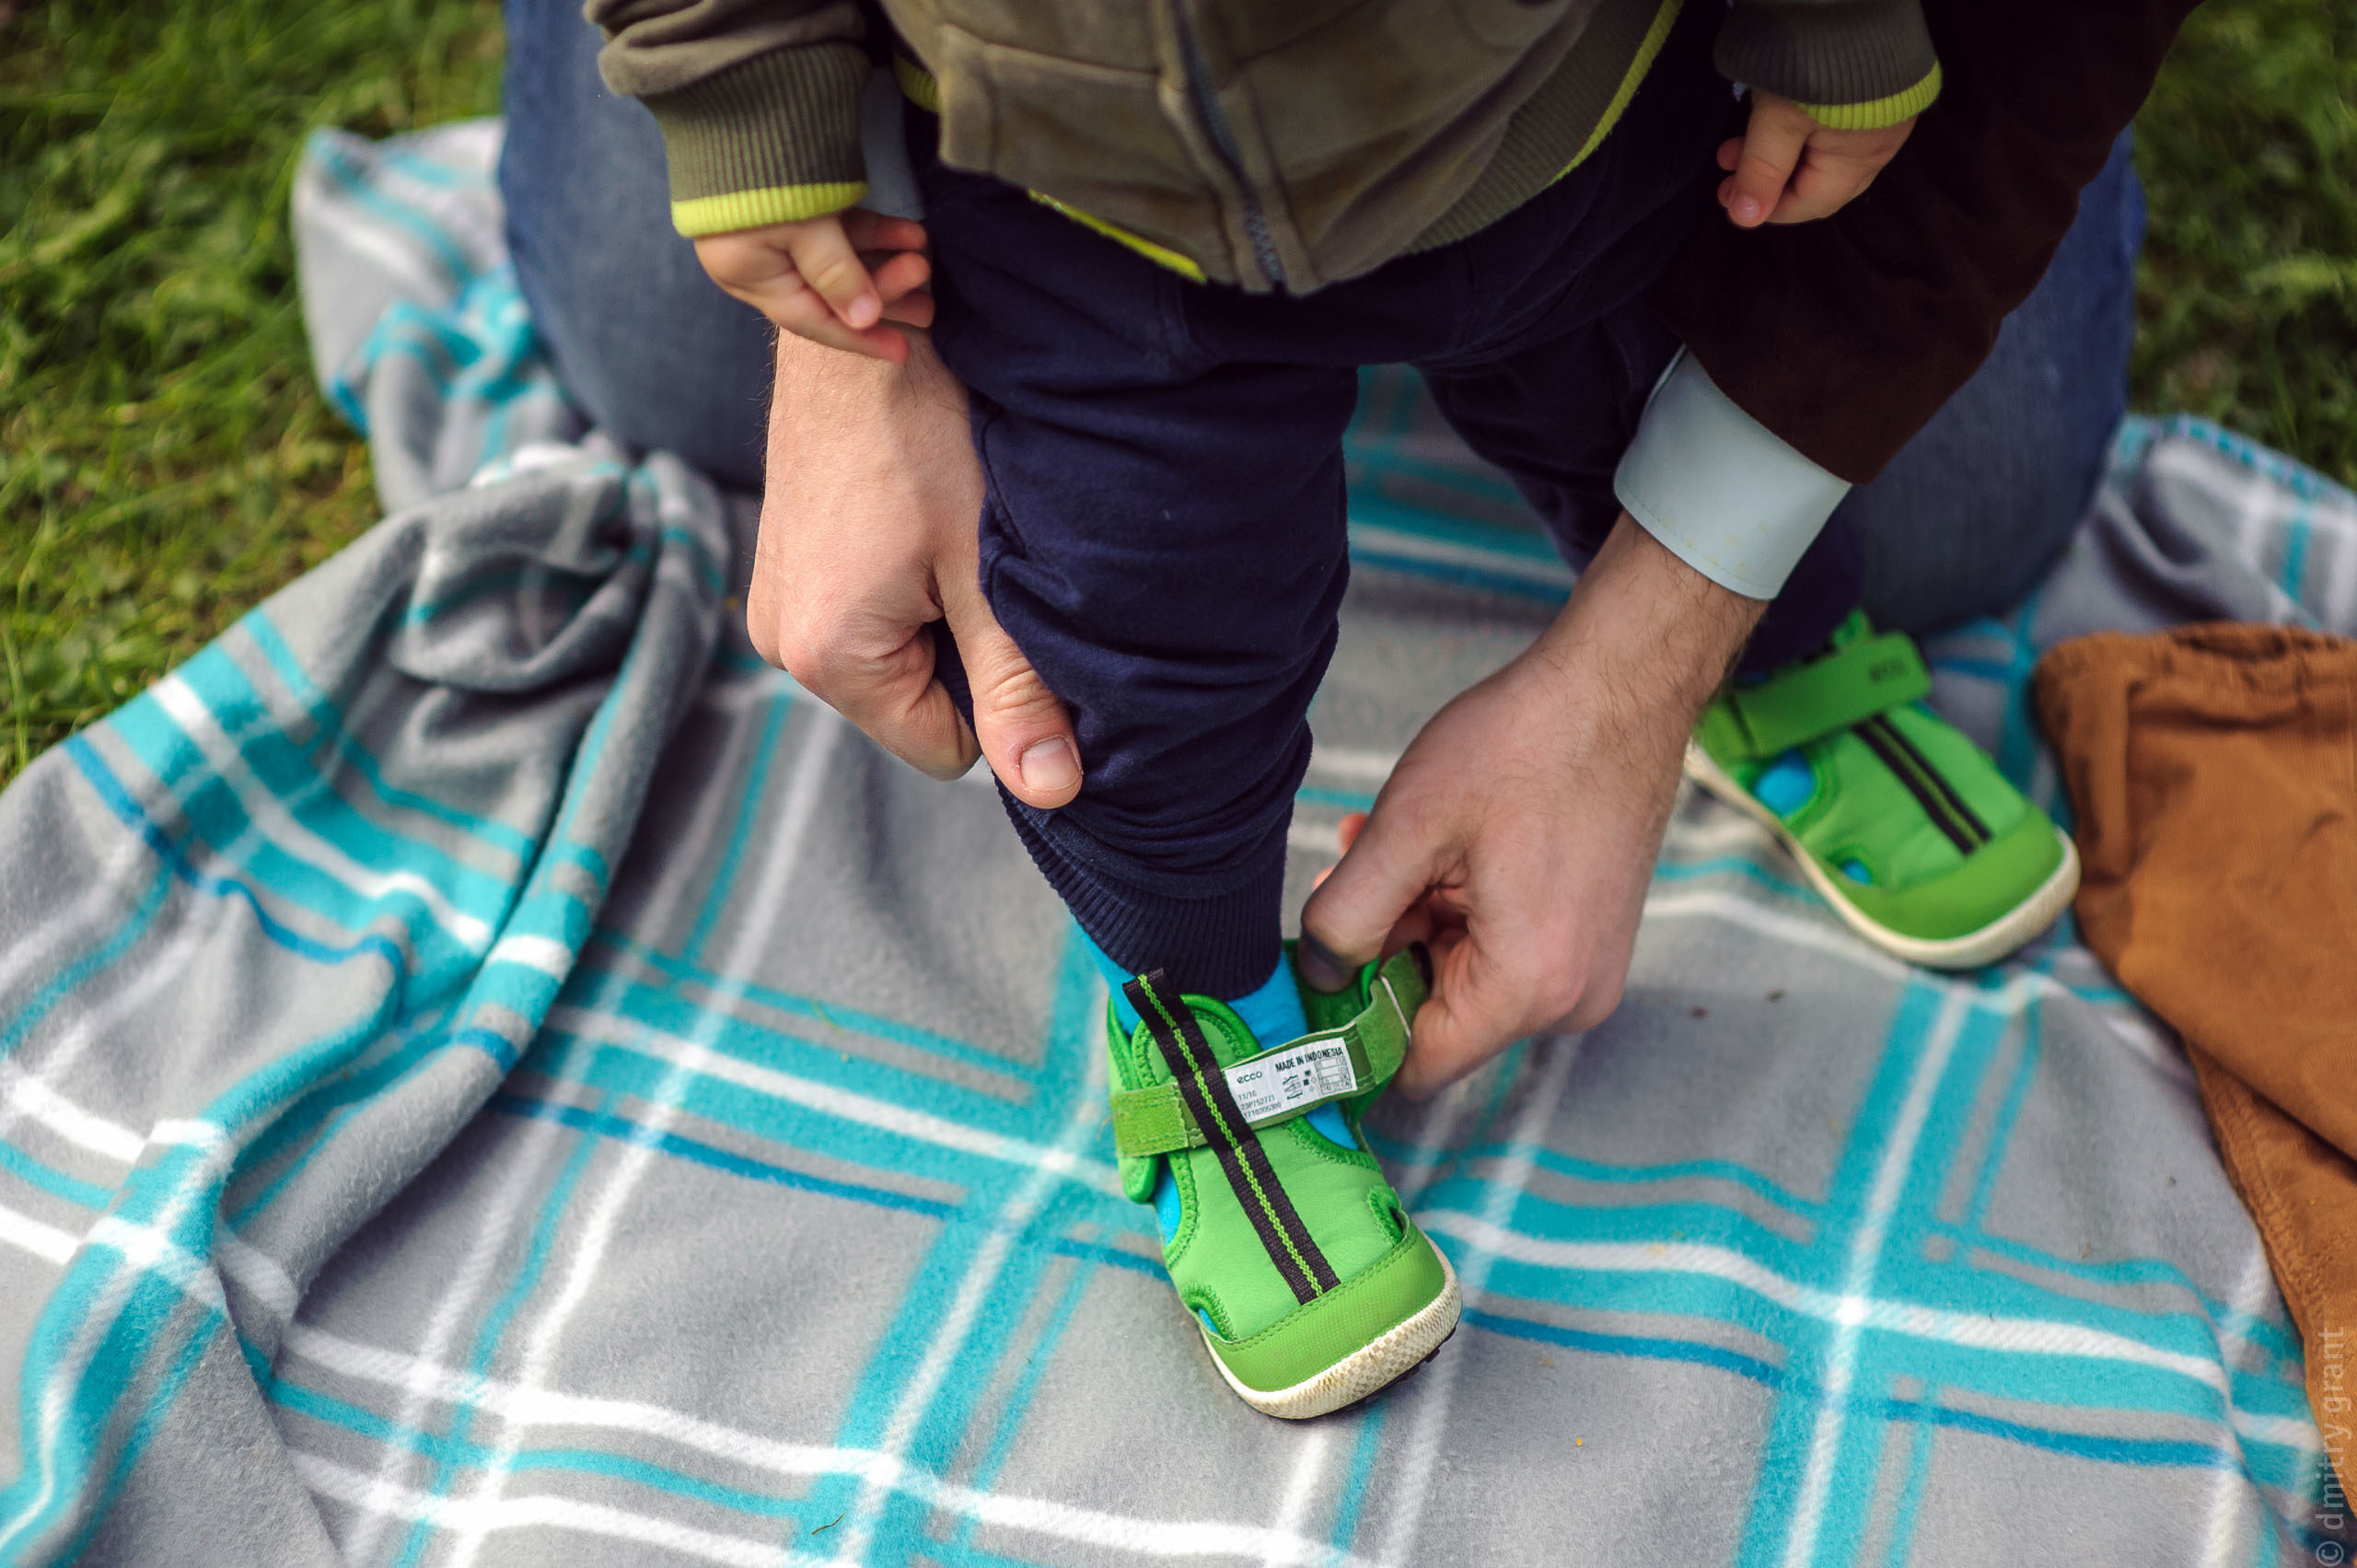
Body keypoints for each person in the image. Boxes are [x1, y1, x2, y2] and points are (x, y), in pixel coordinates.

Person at [502, 0, 2182, 1417]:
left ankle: (1753, 644)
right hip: (1084, 198)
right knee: (1128, 626)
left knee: (1771, 407)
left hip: (1568, 122)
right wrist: (755, 111)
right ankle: (1198, 997)